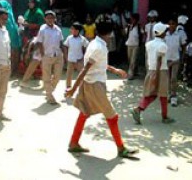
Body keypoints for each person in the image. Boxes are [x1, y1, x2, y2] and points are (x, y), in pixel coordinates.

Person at [65, 22, 138, 158]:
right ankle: (121, 148)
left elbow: (98, 63)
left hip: (89, 83)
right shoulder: (99, 47)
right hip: (95, 85)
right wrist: (73, 89)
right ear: (109, 34)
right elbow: (86, 68)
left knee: (84, 113)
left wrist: (114, 70)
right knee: (112, 116)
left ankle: (73, 143)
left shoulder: (94, 43)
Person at [131, 22, 175, 124]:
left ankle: (139, 109)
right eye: (165, 31)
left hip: (151, 70)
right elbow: (159, 61)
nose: (166, 32)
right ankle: (164, 117)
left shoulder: (149, 44)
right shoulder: (163, 45)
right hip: (161, 71)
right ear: (162, 33)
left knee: (151, 94)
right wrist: (157, 76)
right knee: (163, 95)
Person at [37, 10, 64, 104]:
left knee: (57, 76)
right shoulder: (42, 29)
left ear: (54, 19)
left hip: (58, 55)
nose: (50, 19)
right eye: (48, 18)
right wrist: (42, 54)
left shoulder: (58, 29)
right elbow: (39, 42)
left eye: (52, 18)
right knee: (46, 77)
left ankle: (49, 91)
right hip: (47, 55)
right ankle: (50, 97)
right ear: (45, 19)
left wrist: (64, 54)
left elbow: (61, 42)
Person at [165, 17, 187, 107]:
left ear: (176, 25)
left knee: (174, 78)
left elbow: (184, 46)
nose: (171, 26)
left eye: (173, 24)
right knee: (167, 79)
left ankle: (174, 96)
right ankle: (168, 94)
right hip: (166, 59)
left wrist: (183, 57)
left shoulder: (180, 34)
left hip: (176, 59)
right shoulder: (165, 34)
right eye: (169, 24)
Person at [0, 0, 21, 73]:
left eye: (0, 6)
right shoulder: (1, 15)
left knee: (13, 55)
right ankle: (11, 71)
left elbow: (11, 27)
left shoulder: (8, 14)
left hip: (12, 37)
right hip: (7, 38)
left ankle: (12, 71)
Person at [63, 22, 89, 89]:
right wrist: (65, 56)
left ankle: (82, 88)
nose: (72, 30)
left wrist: (84, 57)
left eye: (73, 29)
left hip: (79, 59)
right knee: (69, 75)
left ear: (77, 31)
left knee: (81, 74)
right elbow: (65, 46)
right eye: (71, 29)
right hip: (70, 59)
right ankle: (68, 87)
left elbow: (87, 47)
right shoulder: (69, 38)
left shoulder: (82, 39)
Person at [125, 13, 144, 80]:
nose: (131, 20)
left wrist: (140, 44)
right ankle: (135, 71)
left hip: (136, 45)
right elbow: (125, 33)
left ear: (136, 19)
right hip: (129, 44)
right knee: (130, 59)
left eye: (133, 19)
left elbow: (142, 34)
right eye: (131, 19)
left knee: (133, 60)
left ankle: (130, 74)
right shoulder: (129, 26)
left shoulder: (139, 27)